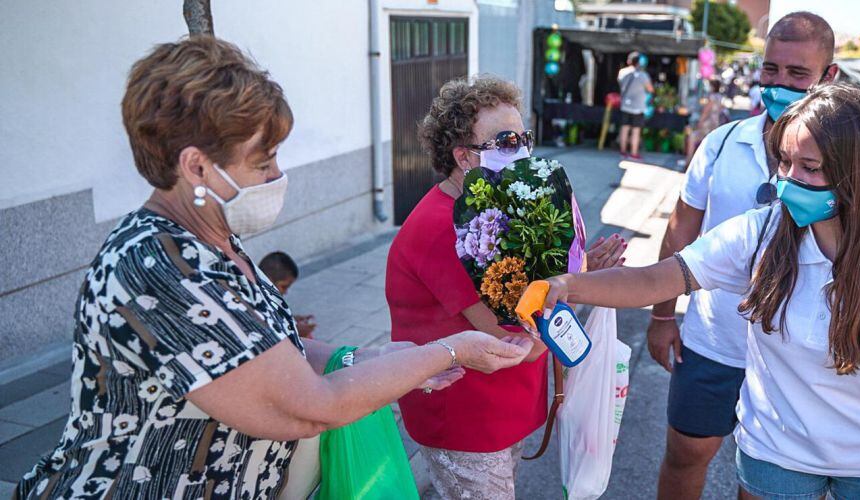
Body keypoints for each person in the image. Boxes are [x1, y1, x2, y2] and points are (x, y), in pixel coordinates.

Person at [15, 37, 531, 500]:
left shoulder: (211, 240)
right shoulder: (158, 267)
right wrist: (444, 351)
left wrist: (364, 354)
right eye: (263, 160)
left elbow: (259, 349)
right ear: (197, 166)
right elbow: (308, 407)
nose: (277, 174)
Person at [538, 82, 860, 500]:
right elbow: (654, 279)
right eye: (785, 162)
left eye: (809, 168)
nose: (788, 182)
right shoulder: (761, 233)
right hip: (774, 455)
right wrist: (569, 286)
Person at [391, 75, 626, 499]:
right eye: (504, 142)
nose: (521, 151)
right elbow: (509, 342)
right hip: (467, 421)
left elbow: (530, 301)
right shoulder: (441, 227)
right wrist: (577, 283)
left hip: (503, 411)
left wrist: (573, 276)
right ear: (463, 156)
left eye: (523, 138)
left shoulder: (495, 205)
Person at [647, 12, 838, 500]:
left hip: (797, 358)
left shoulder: (850, 158)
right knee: (685, 456)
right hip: (713, 343)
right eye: (772, 69)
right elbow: (680, 231)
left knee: (764, 485)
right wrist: (662, 317)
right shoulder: (722, 143)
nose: (780, 83)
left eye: (799, 74)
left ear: (829, 77)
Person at [258, 251, 316, 338]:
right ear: (267, 281)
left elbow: (277, 320)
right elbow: (269, 335)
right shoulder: (257, 303)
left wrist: (292, 320)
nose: (285, 292)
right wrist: (295, 331)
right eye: (284, 286)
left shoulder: (270, 300)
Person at [683, 79, 732, 168]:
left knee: (692, 138)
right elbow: (722, 109)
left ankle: (688, 162)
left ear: (713, 87)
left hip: (707, 124)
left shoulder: (711, 97)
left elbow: (705, 112)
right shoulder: (720, 97)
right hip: (715, 124)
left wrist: (700, 122)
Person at [618, 51, 655, 160]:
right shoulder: (643, 75)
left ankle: (623, 151)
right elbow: (650, 89)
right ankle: (633, 153)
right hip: (638, 107)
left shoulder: (622, 72)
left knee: (624, 128)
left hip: (625, 104)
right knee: (636, 130)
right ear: (640, 62)